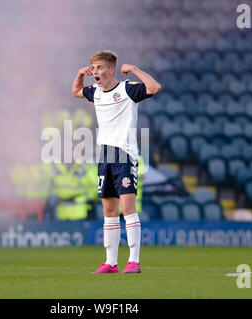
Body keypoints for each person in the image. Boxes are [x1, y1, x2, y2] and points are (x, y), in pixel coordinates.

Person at [72, 50, 161, 273]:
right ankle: (111, 262)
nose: (96, 72)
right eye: (94, 68)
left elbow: (154, 88)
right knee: (109, 210)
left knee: (128, 208)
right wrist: (80, 74)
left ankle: (134, 261)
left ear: (112, 70)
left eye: (100, 68)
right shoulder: (95, 92)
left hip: (125, 153)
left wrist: (134, 70)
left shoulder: (127, 89)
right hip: (105, 156)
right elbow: (76, 91)